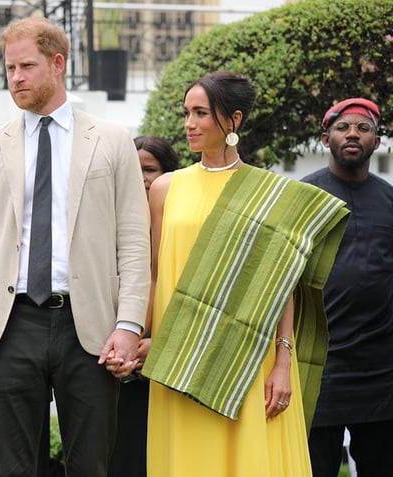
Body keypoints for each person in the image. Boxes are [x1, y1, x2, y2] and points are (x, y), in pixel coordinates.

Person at [0, 17, 151, 476]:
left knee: (90, 466)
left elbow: (134, 242)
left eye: (26, 66)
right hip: (11, 324)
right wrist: (14, 270)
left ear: (57, 64)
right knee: (12, 468)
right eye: (9, 68)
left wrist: (128, 324)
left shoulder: (112, 140)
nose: (16, 78)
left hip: (92, 327)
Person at [140, 71, 351, 477]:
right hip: (180, 355)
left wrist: (283, 364)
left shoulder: (269, 194)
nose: (189, 123)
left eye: (201, 113)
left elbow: (281, 286)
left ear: (233, 120)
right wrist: (140, 336)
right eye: (187, 113)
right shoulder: (165, 188)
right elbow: (153, 274)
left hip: (248, 357)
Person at [301, 98, 393, 477]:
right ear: (326, 138)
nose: (353, 133)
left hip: (382, 370)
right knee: (315, 467)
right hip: (321, 364)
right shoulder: (303, 199)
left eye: (363, 128)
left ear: (377, 142)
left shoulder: (389, 200)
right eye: (343, 127)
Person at [108, 135, 180, 477]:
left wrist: (159, 342)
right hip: (118, 362)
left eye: (150, 169)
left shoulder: (181, 228)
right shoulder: (109, 225)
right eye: (134, 170)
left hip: (170, 358)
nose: (141, 179)